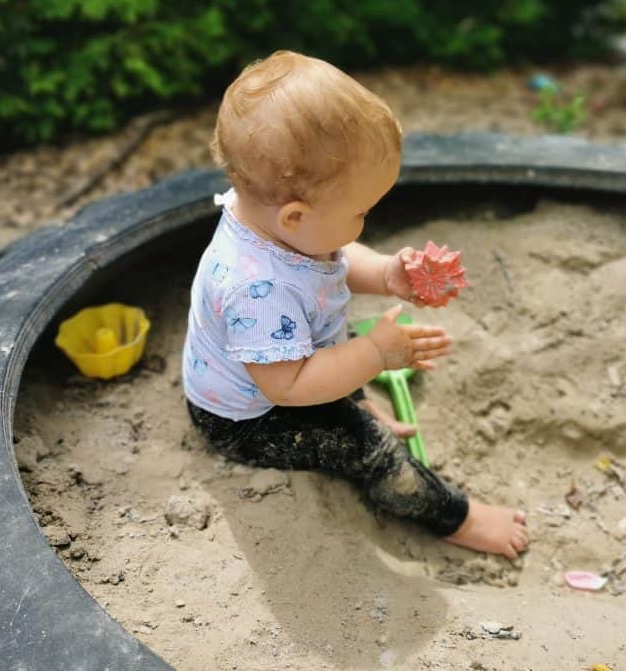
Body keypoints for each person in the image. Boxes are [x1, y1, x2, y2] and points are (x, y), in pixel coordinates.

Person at [183, 50, 528, 558]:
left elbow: (335, 256)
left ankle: (355, 402)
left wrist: (388, 274)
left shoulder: (279, 225)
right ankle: (457, 518)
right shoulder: (254, 289)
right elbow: (291, 387)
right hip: (250, 420)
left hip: (290, 366)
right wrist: (375, 354)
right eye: (362, 211)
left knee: (341, 365)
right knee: (368, 449)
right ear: (296, 217)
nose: (366, 222)